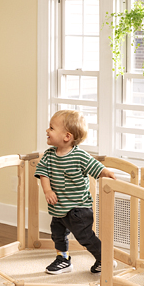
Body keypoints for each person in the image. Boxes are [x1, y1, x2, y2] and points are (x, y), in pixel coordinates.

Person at [34, 110, 115, 275]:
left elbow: (97, 168)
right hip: (59, 208)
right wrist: (47, 190)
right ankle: (63, 259)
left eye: (51, 128)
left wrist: (107, 174)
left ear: (67, 136)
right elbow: (43, 173)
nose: (47, 131)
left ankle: (104, 258)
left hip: (79, 209)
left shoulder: (80, 156)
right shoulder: (49, 155)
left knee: (85, 237)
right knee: (57, 234)